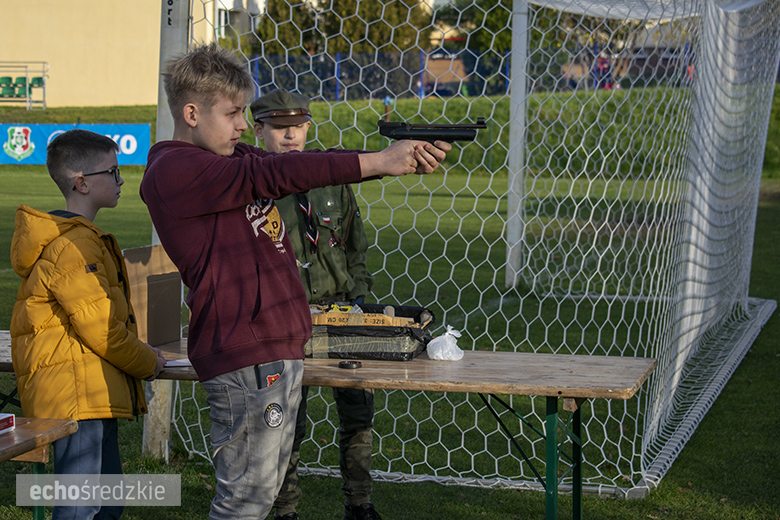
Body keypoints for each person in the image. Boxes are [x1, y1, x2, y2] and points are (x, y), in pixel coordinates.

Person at [139, 42, 450, 520]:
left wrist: (396, 154)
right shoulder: (176, 169)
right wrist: (378, 163)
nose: (244, 124)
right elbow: (280, 171)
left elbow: (300, 163)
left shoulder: (228, 159)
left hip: (275, 346)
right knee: (245, 501)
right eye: (235, 113)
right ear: (192, 112)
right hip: (245, 353)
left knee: (259, 498)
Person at [10, 129, 167, 520]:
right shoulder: (72, 247)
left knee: (107, 505)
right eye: (113, 172)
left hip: (93, 392)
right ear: (82, 183)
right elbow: (102, 330)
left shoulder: (84, 238)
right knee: (80, 509)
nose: (121, 180)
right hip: (75, 399)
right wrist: (149, 361)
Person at [251, 89, 379, 520]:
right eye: (280, 129)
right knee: (287, 420)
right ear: (259, 130)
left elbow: (355, 244)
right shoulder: (255, 185)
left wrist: (357, 296)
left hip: (342, 311)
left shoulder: (330, 179)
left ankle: (359, 506)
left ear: (308, 127)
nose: (290, 137)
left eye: (298, 128)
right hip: (288, 319)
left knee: (358, 415)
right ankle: (285, 511)